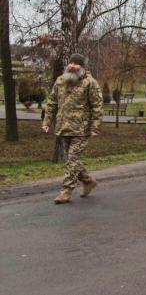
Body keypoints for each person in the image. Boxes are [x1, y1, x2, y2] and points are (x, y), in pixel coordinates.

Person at [42, 54, 103, 205]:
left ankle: (66, 191)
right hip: (63, 128)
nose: (72, 66)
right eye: (71, 63)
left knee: (72, 160)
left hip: (81, 130)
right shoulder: (60, 81)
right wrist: (47, 121)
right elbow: (52, 103)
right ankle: (88, 182)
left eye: (76, 64)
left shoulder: (90, 83)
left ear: (82, 67)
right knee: (72, 160)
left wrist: (95, 127)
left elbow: (97, 106)